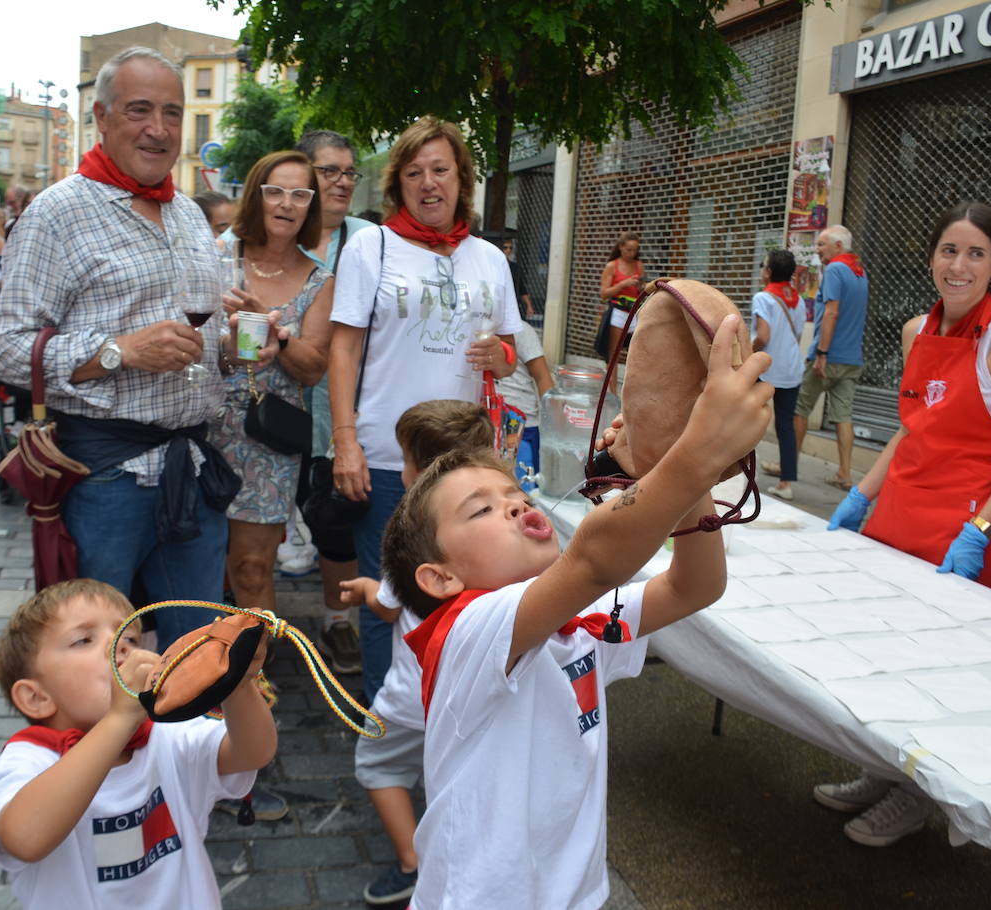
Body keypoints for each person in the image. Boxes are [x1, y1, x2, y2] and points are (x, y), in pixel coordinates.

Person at [379, 316, 770, 908]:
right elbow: (594, 558)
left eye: (515, 495)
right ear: (441, 577)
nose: (512, 507)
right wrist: (695, 451)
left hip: (573, 893)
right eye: (481, 511)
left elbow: (696, 587)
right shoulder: (466, 630)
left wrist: (685, 473)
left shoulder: (578, 627)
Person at [0, 47, 250, 656]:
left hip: (193, 468)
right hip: (105, 478)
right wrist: (116, 352)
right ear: (101, 117)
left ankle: (183, 749)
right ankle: (108, 752)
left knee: (197, 656)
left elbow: (198, 339)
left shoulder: (188, 215)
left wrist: (233, 349)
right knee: (100, 664)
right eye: (139, 110)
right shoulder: (57, 213)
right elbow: (4, 348)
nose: (158, 128)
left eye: (172, 112)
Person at [820, 201, 991, 848]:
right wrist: (860, 496)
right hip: (896, 525)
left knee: (941, 676)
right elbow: (911, 429)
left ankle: (916, 798)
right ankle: (880, 772)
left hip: (960, 538)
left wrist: (979, 530)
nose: (960, 265)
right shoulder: (916, 329)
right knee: (882, 663)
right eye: (950, 250)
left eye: (976, 253)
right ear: (930, 258)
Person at [328, 115, 521, 704]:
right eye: (414, 173)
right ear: (399, 183)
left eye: (440, 170)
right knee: (388, 598)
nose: (429, 183)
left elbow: (509, 353)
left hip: (466, 460)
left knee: (461, 587)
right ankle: (386, 721)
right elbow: (345, 345)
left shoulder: (488, 257)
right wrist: (346, 441)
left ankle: (446, 710)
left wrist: (503, 354)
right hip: (388, 456)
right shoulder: (372, 245)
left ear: (461, 179)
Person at [0, 578, 276, 908]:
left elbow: (253, 752)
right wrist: (119, 719)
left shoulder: (167, 735)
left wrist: (236, 684)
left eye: (131, 637)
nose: (119, 645)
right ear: (36, 698)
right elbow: (24, 838)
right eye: (83, 640)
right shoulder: (29, 759)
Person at [342, 399, 493, 906]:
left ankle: (414, 863)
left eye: (405, 459)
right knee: (452, 785)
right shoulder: (492, 543)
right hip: (470, 707)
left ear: (422, 473)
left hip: (409, 702)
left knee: (377, 766)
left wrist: (366, 589)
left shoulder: (414, 538)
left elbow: (389, 607)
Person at [208, 149, 333, 631]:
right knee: (204, 563)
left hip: (267, 439)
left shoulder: (319, 279)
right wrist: (231, 345)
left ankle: (251, 678)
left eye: (300, 194)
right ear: (256, 194)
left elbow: (314, 370)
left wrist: (275, 334)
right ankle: (199, 672)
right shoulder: (218, 255)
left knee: (253, 567)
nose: (287, 203)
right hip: (202, 425)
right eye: (275, 191)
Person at [289, 129, 373, 675]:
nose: (342, 182)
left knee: (337, 519)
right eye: (329, 171)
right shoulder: (278, 235)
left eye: (349, 172)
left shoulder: (370, 239)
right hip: (277, 407)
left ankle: (337, 619)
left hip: (348, 408)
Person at [786, 225, 869, 490]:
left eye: (822, 244)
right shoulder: (860, 272)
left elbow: (832, 312)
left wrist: (821, 352)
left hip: (828, 357)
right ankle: (845, 473)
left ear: (838, 247)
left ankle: (789, 466)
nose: (817, 249)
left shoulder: (834, 270)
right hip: (851, 358)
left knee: (799, 410)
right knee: (843, 416)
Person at [753, 249, 806, 501]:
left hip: (767, 368)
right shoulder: (800, 300)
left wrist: (748, 352)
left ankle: (742, 471)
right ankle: (786, 484)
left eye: (764, 266)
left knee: (749, 419)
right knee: (785, 426)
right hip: (792, 369)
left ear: (769, 272)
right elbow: (796, 337)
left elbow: (763, 336)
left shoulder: (764, 298)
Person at [495, 318, 555, 492]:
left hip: (522, 425)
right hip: (485, 424)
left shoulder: (520, 329)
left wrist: (554, 428)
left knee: (524, 489)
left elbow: (543, 378)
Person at [596, 231, 643, 371]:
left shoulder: (639, 265)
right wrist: (623, 284)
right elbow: (603, 294)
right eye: (629, 249)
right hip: (618, 311)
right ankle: (612, 391)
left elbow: (640, 289)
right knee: (614, 354)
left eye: (635, 250)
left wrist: (642, 287)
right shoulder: (612, 266)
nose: (632, 253)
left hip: (635, 311)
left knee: (636, 353)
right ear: (621, 247)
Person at [501, 236, 536, 319]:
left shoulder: (515, 267)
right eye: (505, 248)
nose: (508, 250)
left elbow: (521, 288)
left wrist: (529, 305)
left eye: (510, 248)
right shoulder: (494, 266)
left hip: (511, 305)